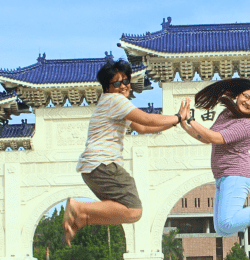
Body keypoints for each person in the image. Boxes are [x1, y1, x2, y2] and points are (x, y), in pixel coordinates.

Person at [63, 60, 189, 244]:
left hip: (92, 169)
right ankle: (79, 208)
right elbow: (147, 119)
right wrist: (177, 117)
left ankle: (83, 218)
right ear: (107, 87)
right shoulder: (115, 100)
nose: (123, 86)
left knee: (125, 211)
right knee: (133, 210)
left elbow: (143, 128)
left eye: (125, 81)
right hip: (104, 164)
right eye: (116, 83)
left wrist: (175, 123)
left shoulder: (110, 104)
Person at [178, 79, 250, 235]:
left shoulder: (246, 124)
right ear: (237, 96)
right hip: (222, 176)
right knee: (221, 230)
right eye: (246, 96)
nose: (248, 102)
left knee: (227, 223)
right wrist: (184, 125)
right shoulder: (227, 114)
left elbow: (216, 138)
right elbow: (206, 137)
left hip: (237, 174)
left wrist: (191, 119)